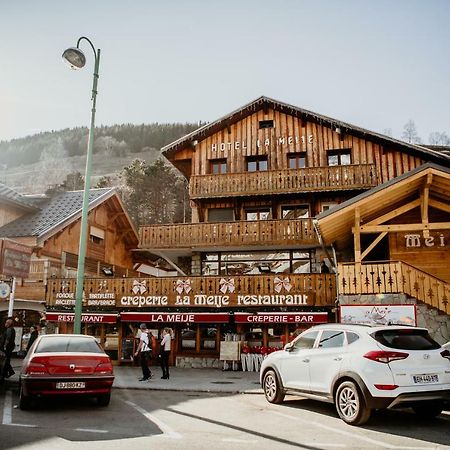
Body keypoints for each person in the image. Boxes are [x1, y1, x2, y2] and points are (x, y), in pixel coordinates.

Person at [0, 317, 16, 383]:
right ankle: (9, 372)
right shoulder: (10, 329)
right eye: (6, 322)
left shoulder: (9, 330)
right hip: (8, 349)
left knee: (4, 362)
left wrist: (4, 347)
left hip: (6, 349)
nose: (5, 324)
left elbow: (7, 339)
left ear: (10, 324)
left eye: (7, 323)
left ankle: (3, 376)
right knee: (6, 361)